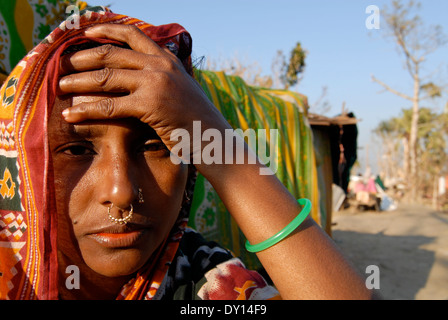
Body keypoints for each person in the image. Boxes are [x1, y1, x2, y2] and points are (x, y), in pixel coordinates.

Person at [0, 7, 375, 300]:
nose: (121, 192)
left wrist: (225, 152)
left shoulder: (206, 284)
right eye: (77, 149)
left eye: (156, 146)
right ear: (21, 164)